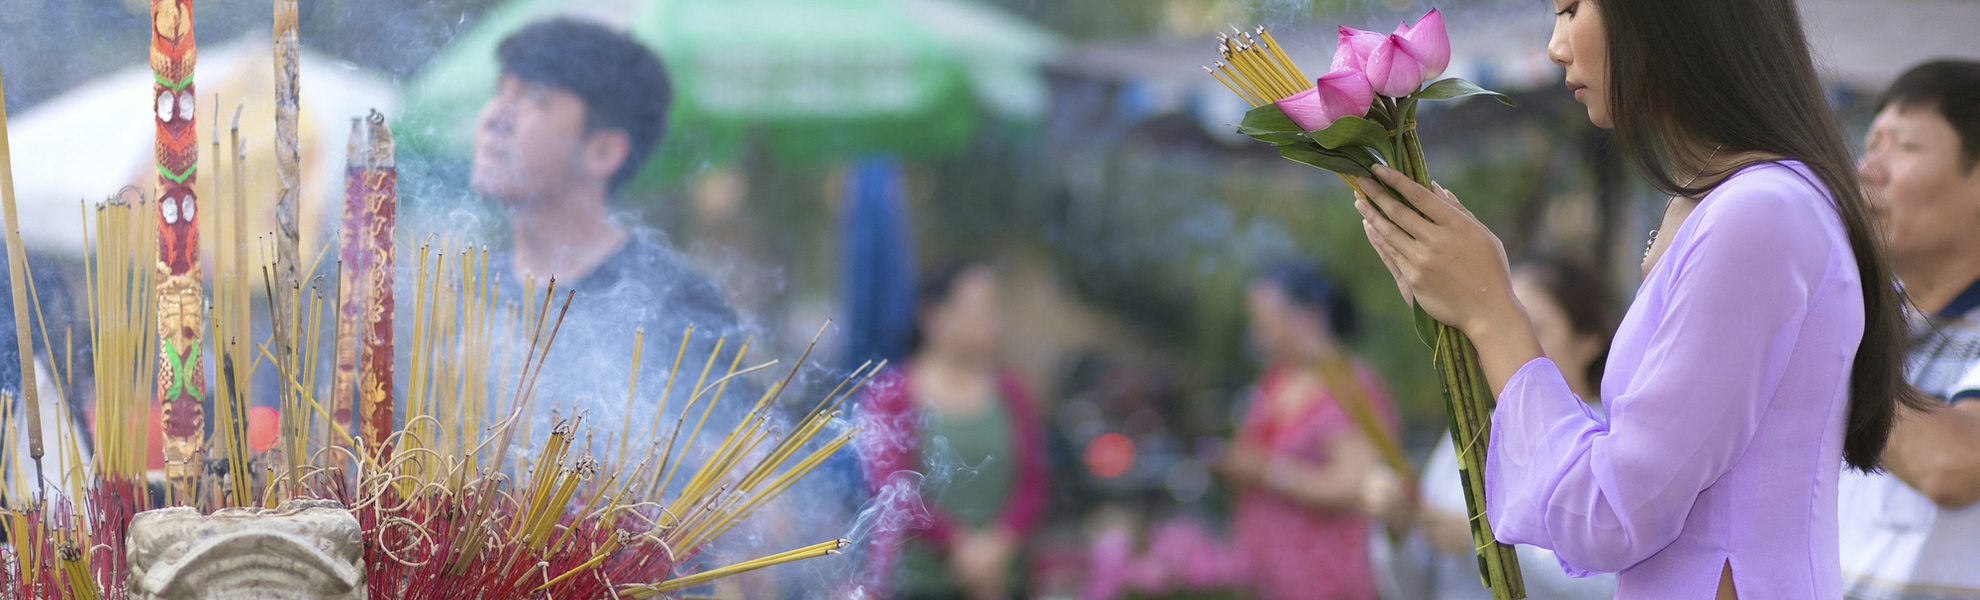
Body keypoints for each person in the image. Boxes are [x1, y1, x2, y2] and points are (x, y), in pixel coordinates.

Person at [1352, 0, 1926, 597]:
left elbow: (1610, 514)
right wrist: (1468, 311)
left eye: (1572, 9)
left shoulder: (1757, 213)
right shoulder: (1729, 203)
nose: (1555, 45)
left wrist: (1492, 311)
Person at [468, 19, 742, 427]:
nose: (495, 117)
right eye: (499, 91)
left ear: (602, 151)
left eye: (534, 98)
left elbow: (734, 470)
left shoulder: (673, 303)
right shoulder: (464, 291)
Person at [1365, 257, 1617, 600]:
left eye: (1532, 329)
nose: (1507, 344)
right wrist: (1398, 530)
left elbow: (1609, 586)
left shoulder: (1610, 438)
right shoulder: (1472, 427)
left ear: (1588, 339)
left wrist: (1478, 548)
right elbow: (1414, 588)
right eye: (1496, 328)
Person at [1837, 59, 1980, 599]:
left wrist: (1825, 335)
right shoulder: (1864, 319)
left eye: (1906, 147)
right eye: (1871, 143)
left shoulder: (1842, 332)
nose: (1868, 170)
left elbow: (1952, 465)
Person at [855, 264, 1047, 600]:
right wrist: (957, 544)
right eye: (980, 309)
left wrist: (997, 546)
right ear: (934, 316)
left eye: (994, 309)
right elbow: (892, 486)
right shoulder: (893, 395)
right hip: (920, 584)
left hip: (1003, 580)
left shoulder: (1012, 392)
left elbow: (1032, 481)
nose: (992, 321)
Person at [1215, 262, 1393, 600]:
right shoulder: (1274, 380)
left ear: (1309, 316)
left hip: (1325, 578)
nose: (1256, 334)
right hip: (1266, 577)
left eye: (1265, 322)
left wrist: (1270, 471)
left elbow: (1357, 485)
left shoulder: (1346, 386)